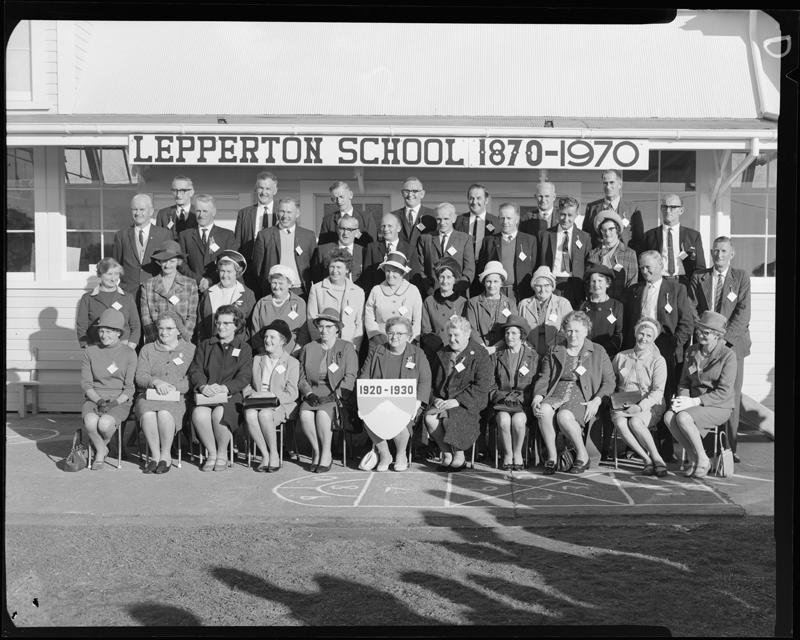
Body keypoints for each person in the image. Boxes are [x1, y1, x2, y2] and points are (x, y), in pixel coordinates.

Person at [624, 250, 694, 459]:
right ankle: (637, 446)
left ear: (660, 265)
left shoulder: (676, 289)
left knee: (663, 395)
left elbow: (687, 323)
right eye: (642, 267)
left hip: (666, 349)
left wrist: (674, 347)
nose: (645, 271)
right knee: (637, 390)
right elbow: (629, 322)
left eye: (649, 267)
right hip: (640, 347)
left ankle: (665, 447)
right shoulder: (635, 290)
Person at [687, 236, 751, 462]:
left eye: (724, 251)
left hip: (732, 345)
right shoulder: (699, 276)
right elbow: (692, 308)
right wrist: (706, 336)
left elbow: (742, 314)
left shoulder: (741, 277)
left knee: (729, 394)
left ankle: (729, 449)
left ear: (731, 254)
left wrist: (722, 340)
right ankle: (704, 447)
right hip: (705, 344)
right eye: (715, 251)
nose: (719, 255)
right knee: (703, 389)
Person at [531, 310, 615, 475]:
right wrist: (538, 396)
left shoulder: (598, 350)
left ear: (586, 331)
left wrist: (597, 400)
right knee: (543, 411)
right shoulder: (554, 349)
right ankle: (552, 457)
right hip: (556, 392)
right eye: (569, 330)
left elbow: (609, 381)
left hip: (583, 396)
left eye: (577, 331)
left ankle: (582, 455)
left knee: (564, 417)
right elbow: (544, 377)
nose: (573, 335)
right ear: (563, 330)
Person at [664, 311, 737, 479]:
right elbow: (684, 382)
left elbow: (724, 392)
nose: (700, 335)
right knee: (669, 416)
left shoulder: (728, 356)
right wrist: (682, 400)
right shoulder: (691, 351)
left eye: (706, 332)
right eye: (699, 330)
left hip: (718, 405)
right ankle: (694, 458)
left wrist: (693, 401)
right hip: (692, 403)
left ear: (717, 335)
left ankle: (703, 460)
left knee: (682, 418)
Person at [358, 316, 432, 472]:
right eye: (391, 333)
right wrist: (363, 400)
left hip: (408, 404)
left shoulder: (418, 354)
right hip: (379, 401)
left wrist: (418, 402)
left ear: (408, 336)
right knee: (368, 416)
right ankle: (385, 454)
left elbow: (425, 381)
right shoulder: (377, 351)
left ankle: (400, 454)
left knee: (400, 417)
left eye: (400, 333)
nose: (394, 337)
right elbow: (364, 376)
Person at [187, 304, 253, 472]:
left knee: (219, 414)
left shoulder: (244, 348)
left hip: (230, 396)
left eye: (226, 323)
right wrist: (203, 386)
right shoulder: (205, 345)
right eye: (219, 323)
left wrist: (225, 388)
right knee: (199, 414)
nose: (221, 327)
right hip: (207, 394)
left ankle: (223, 453)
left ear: (236, 326)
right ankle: (212, 453)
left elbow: (244, 376)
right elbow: (196, 370)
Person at [425, 316, 493, 471]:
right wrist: (435, 399)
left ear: (467, 334)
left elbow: (482, 386)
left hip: (467, 403)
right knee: (430, 418)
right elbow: (430, 381)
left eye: (456, 335)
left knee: (452, 417)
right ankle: (447, 454)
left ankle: (460, 456)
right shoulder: (441, 352)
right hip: (443, 401)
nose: (452, 339)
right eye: (449, 335)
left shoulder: (480, 354)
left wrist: (458, 401)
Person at [134, 310, 196, 474]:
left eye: (169, 328)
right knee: (147, 414)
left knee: (164, 413)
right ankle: (155, 457)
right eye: (161, 328)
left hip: (176, 398)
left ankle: (165, 455)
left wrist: (173, 387)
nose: (164, 332)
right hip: (149, 395)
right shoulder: (147, 349)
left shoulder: (190, 350)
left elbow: (193, 378)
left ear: (178, 330)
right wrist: (155, 381)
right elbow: (140, 376)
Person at [297, 308, 359, 473]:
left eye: (329, 327)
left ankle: (326, 454)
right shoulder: (309, 348)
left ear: (337, 328)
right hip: (314, 392)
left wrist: (335, 395)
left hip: (336, 395)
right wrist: (308, 393)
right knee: (305, 414)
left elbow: (351, 376)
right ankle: (317, 451)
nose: (324, 330)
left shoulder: (346, 347)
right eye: (321, 326)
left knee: (324, 414)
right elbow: (301, 377)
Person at [610, 317, 669, 477]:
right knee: (621, 423)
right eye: (641, 334)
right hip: (623, 403)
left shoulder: (658, 360)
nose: (644, 338)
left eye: (649, 336)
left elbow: (658, 391)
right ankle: (646, 459)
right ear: (636, 334)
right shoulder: (621, 357)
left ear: (654, 338)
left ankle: (657, 458)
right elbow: (611, 382)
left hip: (649, 404)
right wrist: (613, 400)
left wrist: (640, 406)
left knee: (636, 422)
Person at [80, 309, 137, 470]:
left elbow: (129, 388)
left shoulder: (129, 353)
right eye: (101, 330)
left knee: (104, 424)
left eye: (109, 331)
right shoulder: (90, 351)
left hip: (119, 399)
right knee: (91, 422)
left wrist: (112, 405)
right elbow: (86, 384)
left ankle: (98, 449)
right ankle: (102, 450)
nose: (104, 335)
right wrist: (98, 400)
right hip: (94, 397)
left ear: (119, 332)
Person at [242, 320, 300, 472]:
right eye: (266, 337)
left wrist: (272, 395)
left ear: (283, 341)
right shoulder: (257, 359)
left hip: (280, 403)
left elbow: (292, 393)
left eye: (272, 337)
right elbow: (246, 383)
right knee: (250, 415)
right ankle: (265, 454)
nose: (267, 340)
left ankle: (274, 453)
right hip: (256, 401)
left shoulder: (292, 363)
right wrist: (250, 394)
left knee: (265, 414)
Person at [490, 315, 539, 470]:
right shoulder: (497, 356)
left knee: (518, 422)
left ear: (522, 335)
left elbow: (536, 384)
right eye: (506, 333)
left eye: (513, 333)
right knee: (504, 421)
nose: (509, 337)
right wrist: (499, 397)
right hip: (501, 402)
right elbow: (490, 383)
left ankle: (518, 454)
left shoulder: (533, 356)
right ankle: (507, 454)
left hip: (522, 402)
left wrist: (522, 398)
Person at [251, 197, 317, 300]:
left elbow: (314, 267)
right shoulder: (264, 235)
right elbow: (257, 268)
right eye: (282, 211)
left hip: (299, 291)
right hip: (273, 291)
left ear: (297, 214)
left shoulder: (308, 236)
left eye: (289, 212)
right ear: (277, 213)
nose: (285, 216)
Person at [111, 193, 172, 299]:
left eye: (142, 209)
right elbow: (116, 266)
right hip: (128, 295)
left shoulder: (164, 235)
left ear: (151, 211)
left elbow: (170, 266)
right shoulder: (121, 235)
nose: (138, 213)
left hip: (155, 294)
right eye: (135, 209)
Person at [307, 248, 365, 353]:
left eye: (339, 267)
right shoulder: (317, 289)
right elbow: (312, 320)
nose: (335, 271)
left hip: (348, 346)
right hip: (323, 346)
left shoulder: (358, 292)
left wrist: (354, 347)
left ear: (347, 269)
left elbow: (359, 323)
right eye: (332, 267)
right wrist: (319, 345)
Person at [140, 240, 199, 344]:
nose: (167, 265)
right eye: (164, 261)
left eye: (172, 261)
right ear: (159, 262)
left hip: (181, 341)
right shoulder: (148, 285)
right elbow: (146, 318)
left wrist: (184, 339)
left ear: (178, 262)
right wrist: (156, 342)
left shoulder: (190, 284)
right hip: (156, 341)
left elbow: (192, 316)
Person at [537, 195, 591, 308]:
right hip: (552, 284)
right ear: (557, 213)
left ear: (576, 214)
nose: (566, 219)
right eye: (563, 214)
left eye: (570, 215)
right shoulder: (545, 235)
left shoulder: (585, 237)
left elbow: (587, 265)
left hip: (575, 285)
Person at [178, 194, 238, 294]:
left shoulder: (227, 235)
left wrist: (209, 280)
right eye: (198, 211)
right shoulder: (185, 236)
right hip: (193, 291)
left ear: (213, 212)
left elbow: (231, 264)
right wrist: (199, 280)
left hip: (220, 290)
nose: (201, 215)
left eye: (205, 211)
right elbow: (182, 264)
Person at [641, 194, 706, 287]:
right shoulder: (649, 236)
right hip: (658, 283)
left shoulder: (693, 236)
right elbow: (643, 264)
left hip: (684, 284)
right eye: (665, 207)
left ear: (681, 210)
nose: (668, 210)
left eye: (673, 207)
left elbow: (700, 267)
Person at [478, 202, 538, 303]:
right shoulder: (489, 241)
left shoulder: (530, 240)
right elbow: (481, 268)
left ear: (517, 219)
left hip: (521, 294)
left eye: (509, 218)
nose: (505, 221)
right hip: (495, 293)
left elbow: (534, 267)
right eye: (502, 218)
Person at [76, 257, 140, 349]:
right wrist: (89, 349)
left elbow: (136, 325)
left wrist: (130, 348)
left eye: (116, 274)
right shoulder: (88, 298)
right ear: (100, 274)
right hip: (97, 347)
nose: (114, 278)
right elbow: (81, 327)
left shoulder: (127, 297)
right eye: (109, 274)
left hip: (123, 347)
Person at [416, 202, 475, 297]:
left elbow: (469, 270)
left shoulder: (465, 239)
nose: (442, 223)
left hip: (458, 294)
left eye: (446, 219)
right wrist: (429, 288)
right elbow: (420, 268)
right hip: (433, 294)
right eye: (439, 219)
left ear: (454, 218)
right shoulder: (425, 239)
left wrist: (456, 288)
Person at [365, 251, 423, 348]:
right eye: (388, 271)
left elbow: (417, 319)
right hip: (380, 342)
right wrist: (376, 336)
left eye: (395, 271)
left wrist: (411, 340)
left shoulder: (413, 290)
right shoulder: (376, 290)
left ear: (402, 273)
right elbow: (369, 317)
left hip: (406, 342)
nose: (390, 275)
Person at [196, 250, 256, 342]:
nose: (225, 275)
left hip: (237, 347)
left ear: (237, 272)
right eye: (222, 271)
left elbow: (251, 325)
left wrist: (242, 344)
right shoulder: (208, 293)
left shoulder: (248, 295)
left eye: (229, 271)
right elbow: (201, 323)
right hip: (211, 346)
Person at [234, 171, 279, 292]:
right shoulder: (244, 213)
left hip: (274, 269)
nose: (264, 192)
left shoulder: (281, 212)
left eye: (268, 188)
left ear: (275, 191)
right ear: (256, 189)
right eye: (261, 188)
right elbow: (237, 243)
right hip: (249, 271)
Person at [250, 265, 309, 356]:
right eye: (274, 282)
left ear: (289, 284)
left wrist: (292, 355)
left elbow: (303, 333)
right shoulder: (262, 303)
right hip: (265, 355)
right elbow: (255, 332)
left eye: (281, 283)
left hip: (292, 356)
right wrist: (264, 355)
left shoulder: (299, 303)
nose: (277, 287)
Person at [582, 169, 644, 252]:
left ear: (620, 184)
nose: (608, 187)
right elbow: (586, 237)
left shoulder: (633, 209)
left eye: (611, 182)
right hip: (598, 259)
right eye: (605, 183)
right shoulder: (591, 208)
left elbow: (638, 239)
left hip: (624, 259)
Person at [517, 266, 573, 357]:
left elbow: (570, 327)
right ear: (533, 287)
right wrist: (527, 345)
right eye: (539, 286)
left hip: (556, 351)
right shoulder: (523, 305)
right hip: (529, 352)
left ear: (552, 287)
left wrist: (555, 343)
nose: (543, 290)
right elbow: (519, 330)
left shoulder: (563, 303)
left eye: (546, 285)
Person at [465, 261, 518, 356]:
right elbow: (471, 328)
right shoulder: (473, 303)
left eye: (496, 281)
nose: (492, 285)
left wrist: (494, 349)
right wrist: (484, 348)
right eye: (488, 281)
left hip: (504, 352)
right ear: (484, 283)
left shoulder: (511, 304)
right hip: (479, 351)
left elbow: (513, 328)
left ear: (501, 283)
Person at [586, 209, 638, 302]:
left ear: (617, 229)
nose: (607, 233)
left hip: (621, 304)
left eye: (611, 229)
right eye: (604, 230)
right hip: (597, 303)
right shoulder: (593, 254)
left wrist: (621, 304)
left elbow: (632, 283)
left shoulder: (629, 253)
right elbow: (588, 282)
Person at [420, 258, 468, 359]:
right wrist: (438, 346)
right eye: (442, 277)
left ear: (455, 279)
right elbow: (426, 330)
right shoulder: (429, 301)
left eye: (449, 277)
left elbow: (466, 330)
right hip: (435, 352)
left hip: (458, 352)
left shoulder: (462, 302)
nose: (445, 281)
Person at [578, 264, 624, 358]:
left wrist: (606, 351)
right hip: (586, 354)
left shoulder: (617, 306)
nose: (596, 285)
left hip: (608, 355)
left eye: (600, 281)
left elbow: (619, 333)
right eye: (593, 281)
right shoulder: (583, 306)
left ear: (607, 283)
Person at [311, 214, 370, 288]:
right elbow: (317, 278)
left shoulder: (364, 251)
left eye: (350, 229)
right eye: (342, 229)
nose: (345, 233)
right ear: (337, 230)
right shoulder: (323, 250)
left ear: (356, 232)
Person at [454, 183, 500, 274]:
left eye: (478, 198)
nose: (474, 202)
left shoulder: (496, 222)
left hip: (487, 269)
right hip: (463, 269)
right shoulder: (458, 220)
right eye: (471, 198)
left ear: (486, 200)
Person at [364, 212, 415, 290]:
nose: (385, 229)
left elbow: (414, 277)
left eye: (389, 226)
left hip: (403, 295)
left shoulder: (410, 250)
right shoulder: (372, 248)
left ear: (399, 228)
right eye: (383, 226)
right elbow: (367, 276)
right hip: (379, 295)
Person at [318, 180, 377, 246]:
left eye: (341, 197)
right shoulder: (328, 220)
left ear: (350, 195)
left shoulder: (366, 218)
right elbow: (322, 247)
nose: (339, 201)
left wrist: (357, 235)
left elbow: (373, 245)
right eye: (335, 198)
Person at [391, 177, 436, 252]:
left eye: (414, 191)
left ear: (422, 194)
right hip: (400, 260)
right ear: (402, 193)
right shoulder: (393, 216)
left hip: (423, 261)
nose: (410, 194)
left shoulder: (433, 215)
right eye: (407, 191)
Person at [156, 175, 197, 240]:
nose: (178, 195)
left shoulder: (199, 213)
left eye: (182, 190)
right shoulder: (163, 214)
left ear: (191, 192)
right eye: (175, 190)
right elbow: (158, 239)